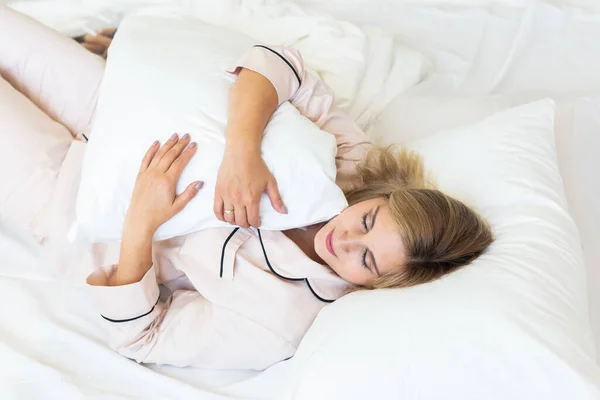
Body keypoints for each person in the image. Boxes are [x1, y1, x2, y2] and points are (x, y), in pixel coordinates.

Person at [0, 7, 493, 371]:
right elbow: (278, 61)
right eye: (367, 220)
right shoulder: (354, 169)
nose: (345, 239)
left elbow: (144, 338)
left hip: (64, 195)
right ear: (380, 199)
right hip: (114, 107)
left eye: (365, 260)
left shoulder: (278, 321)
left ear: (382, 285)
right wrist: (243, 151)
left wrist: (139, 225)